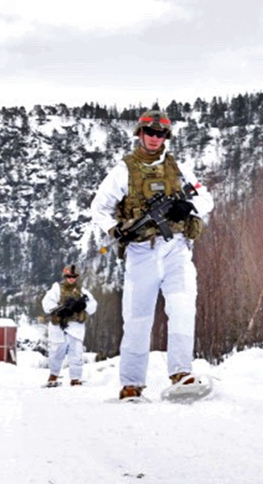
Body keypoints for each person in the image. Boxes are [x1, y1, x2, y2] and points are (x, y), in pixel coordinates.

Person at [90, 109, 213, 400]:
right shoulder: (124, 170)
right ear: (140, 134)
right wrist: (114, 229)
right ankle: (131, 383)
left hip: (177, 249)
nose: (155, 138)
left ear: (165, 137)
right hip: (141, 251)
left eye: (160, 134)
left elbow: (206, 199)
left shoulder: (178, 168)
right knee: (137, 317)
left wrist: (188, 207)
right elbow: (99, 208)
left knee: (182, 308)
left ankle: (182, 373)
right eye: (150, 133)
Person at [41, 264, 97, 387]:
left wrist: (83, 305)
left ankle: (75, 378)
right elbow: (46, 303)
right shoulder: (56, 289)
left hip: (76, 326)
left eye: (74, 276)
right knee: (56, 352)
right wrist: (59, 309)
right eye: (68, 276)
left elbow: (93, 306)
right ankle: (53, 376)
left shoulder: (82, 291)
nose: (71, 279)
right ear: (65, 276)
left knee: (76, 353)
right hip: (59, 326)